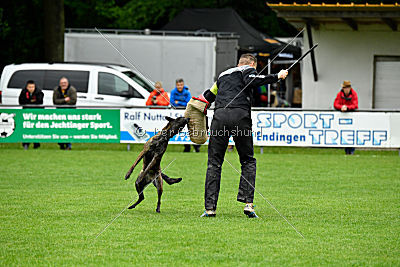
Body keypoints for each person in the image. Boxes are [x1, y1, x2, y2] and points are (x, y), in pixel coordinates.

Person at [199, 53, 288, 218]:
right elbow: (253, 80)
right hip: (240, 117)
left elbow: (208, 96)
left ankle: (210, 209)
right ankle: (248, 204)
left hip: (220, 117)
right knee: (247, 161)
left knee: (214, 163)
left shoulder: (223, 75)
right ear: (252, 64)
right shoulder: (248, 70)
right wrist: (278, 76)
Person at [170, 78, 200, 153]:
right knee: (181, 130)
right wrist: (181, 103)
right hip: (177, 114)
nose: (180, 86)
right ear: (176, 85)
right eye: (178, 85)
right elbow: (172, 102)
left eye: (181, 85)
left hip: (187, 114)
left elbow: (188, 103)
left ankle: (196, 147)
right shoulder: (173, 92)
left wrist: (178, 102)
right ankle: (187, 147)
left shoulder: (186, 92)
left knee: (190, 129)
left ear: (183, 85)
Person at [334, 80, 359, 155]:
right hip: (343, 117)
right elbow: (335, 104)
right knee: (345, 133)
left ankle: (351, 150)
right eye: (345, 88)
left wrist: (347, 108)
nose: (346, 89)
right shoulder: (339, 94)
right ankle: (346, 150)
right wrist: (341, 107)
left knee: (352, 133)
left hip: (352, 116)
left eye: (347, 88)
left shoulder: (354, 94)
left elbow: (355, 105)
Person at [53, 77, 77, 150]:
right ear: (60, 84)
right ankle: (61, 144)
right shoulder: (56, 90)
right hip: (59, 113)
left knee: (68, 129)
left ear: (67, 83)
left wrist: (61, 102)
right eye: (62, 83)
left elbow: (73, 101)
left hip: (69, 112)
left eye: (65, 83)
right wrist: (65, 100)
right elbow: (55, 101)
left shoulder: (72, 90)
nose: (63, 84)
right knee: (59, 129)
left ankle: (68, 145)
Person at [18, 80, 44, 150]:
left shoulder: (39, 92)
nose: (31, 88)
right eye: (29, 87)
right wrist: (31, 101)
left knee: (36, 128)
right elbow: (21, 101)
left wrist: (29, 101)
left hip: (36, 113)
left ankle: (36, 144)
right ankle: (25, 144)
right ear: (27, 87)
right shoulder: (23, 92)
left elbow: (39, 101)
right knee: (26, 128)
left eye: (32, 87)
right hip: (26, 113)